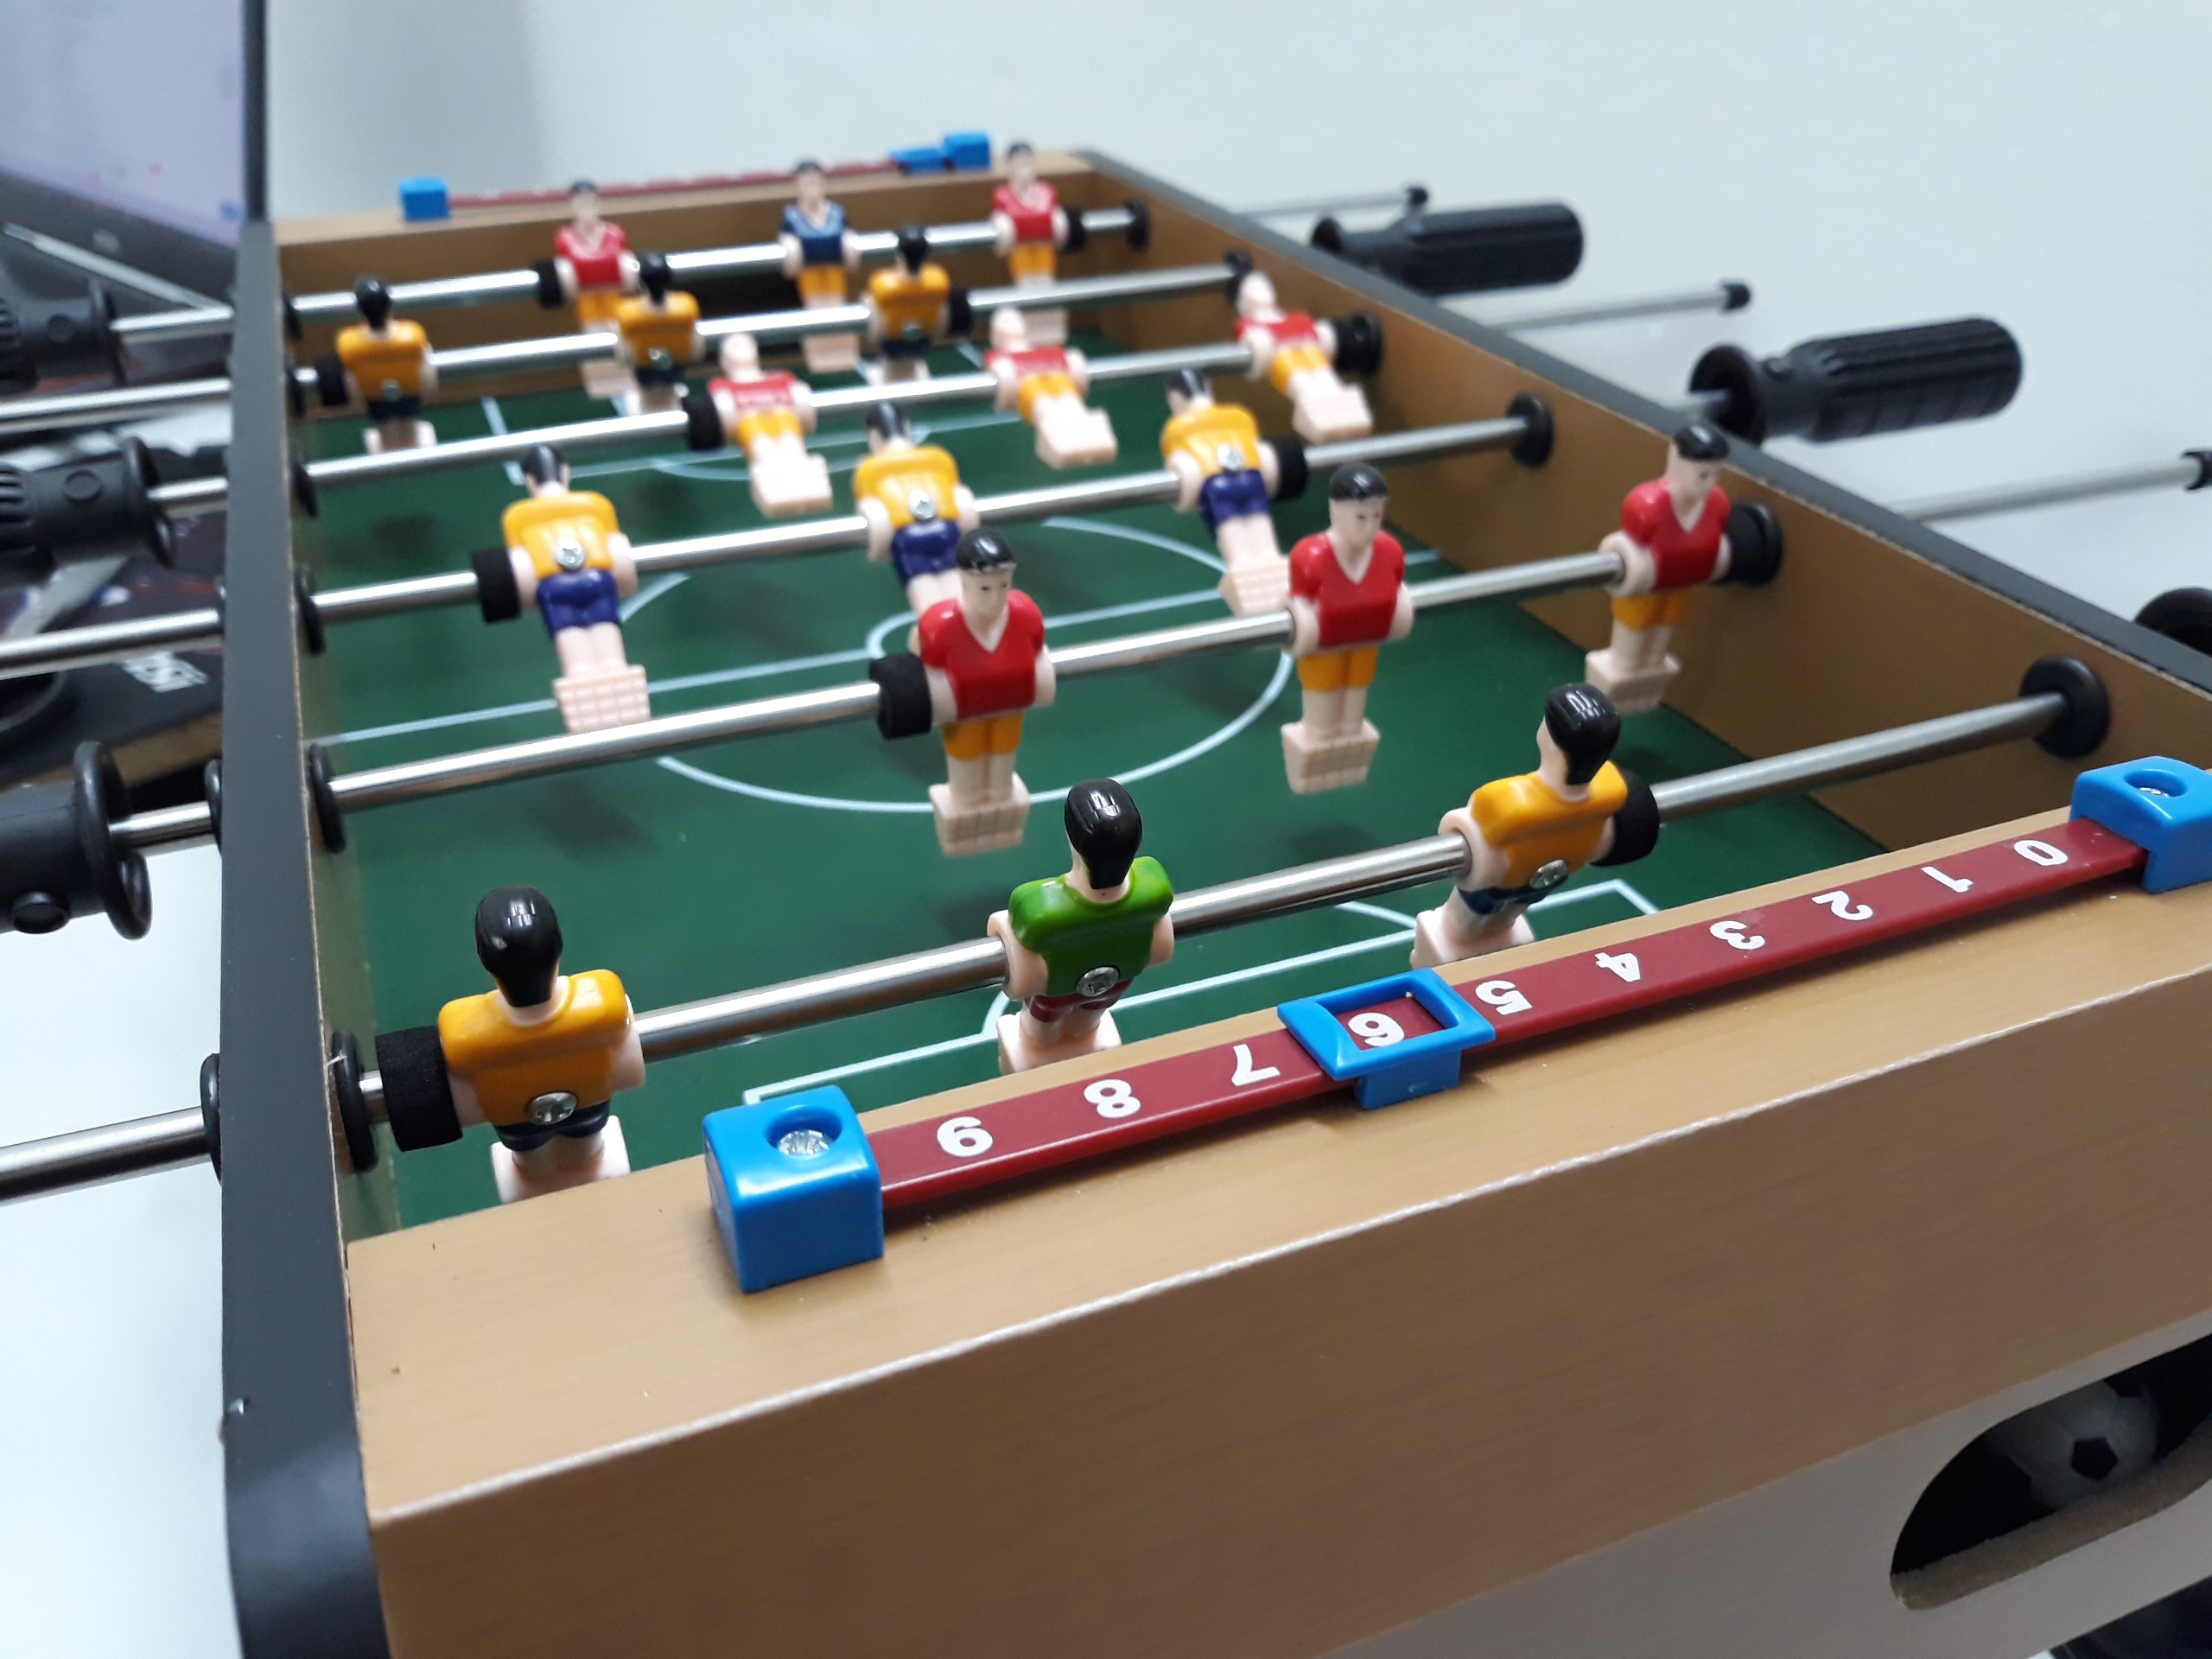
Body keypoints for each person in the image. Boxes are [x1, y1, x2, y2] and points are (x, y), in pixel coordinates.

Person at [437, 885, 644, 1203]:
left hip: (515, 1116)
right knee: (587, 1151)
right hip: (588, 1101)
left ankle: (535, 1178)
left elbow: (456, 1060)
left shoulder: (462, 1029)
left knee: (532, 1163)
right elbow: (620, 1023)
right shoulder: (603, 1000)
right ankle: (586, 1168)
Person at [1410, 684, 1635, 965]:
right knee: (1506, 919)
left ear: (1550, 739)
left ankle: (1450, 957)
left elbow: (1469, 833)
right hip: (1546, 880)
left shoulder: (1504, 799)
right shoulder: (1612, 789)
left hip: (1495, 883)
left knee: (1457, 929)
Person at [988, 779, 1175, 1072]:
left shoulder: (1037, 905)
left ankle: (1039, 1049)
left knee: (1040, 1033)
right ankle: (1083, 1037)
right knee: (1089, 1018)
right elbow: (1161, 938)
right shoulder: (1155, 886)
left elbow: (1018, 939)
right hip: (1116, 981)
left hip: (1055, 988)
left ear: (1073, 841)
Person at [1583, 422, 1735, 714]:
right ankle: (1617, 682)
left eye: (1716, 475)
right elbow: (1632, 547)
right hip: (1644, 589)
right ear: (1678, 463)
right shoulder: (1647, 506)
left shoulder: (1717, 506)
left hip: (1678, 585)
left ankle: (1648, 680)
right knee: (1631, 642)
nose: (1710, 483)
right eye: (1703, 475)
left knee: (1661, 637)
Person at [916, 531, 1053, 855]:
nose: (995, 598)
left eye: (1003, 586)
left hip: (1009, 710)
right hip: (965, 717)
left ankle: (1002, 816)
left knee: (1002, 778)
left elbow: (1038, 655)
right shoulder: (939, 626)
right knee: (966, 788)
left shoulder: (1026, 615)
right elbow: (930, 672)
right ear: (964, 581)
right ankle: (964, 822)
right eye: (985, 588)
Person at [500, 444, 651, 732]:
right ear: (565, 472)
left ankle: (582, 674)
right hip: (597, 580)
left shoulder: (517, 516)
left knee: (573, 644)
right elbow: (614, 545)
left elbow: (517, 563)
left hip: (553, 588)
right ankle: (612, 668)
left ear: (529, 480)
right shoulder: (595, 504)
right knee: (606, 635)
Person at [1281, 463, 1412, 791]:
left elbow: (1397, 593)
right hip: (1325, 649)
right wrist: (1304, 619)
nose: (1369, 527)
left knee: (1354, 712)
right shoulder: (1311, 557)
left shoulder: (1389, 553)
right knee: (1322, 722)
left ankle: (1350, 748)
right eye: (1361, 517)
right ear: (1336, 512)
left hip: (1364, 644)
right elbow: (1298, 602)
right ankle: (1316, 751)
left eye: (1377, 516)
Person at [1159, 368, 1287, 614]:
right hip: (1252, 479)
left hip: (1215, 487)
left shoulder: (1176, 429)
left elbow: (1180, 462)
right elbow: (1260, 451)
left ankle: (1245, 572)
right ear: (1207, 389)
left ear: (1175, 398)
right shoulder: (1239, 416)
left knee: (1235, 539)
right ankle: (1271, 562)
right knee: (1261, 527)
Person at [854, 403, 979, 612]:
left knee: (927, 599)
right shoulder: (939, 457)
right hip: (947, 531)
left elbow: (871, 509)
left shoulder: (868, 469)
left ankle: (939, 630)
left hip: (907, 539)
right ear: (906, 427)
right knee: (958, 592)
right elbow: (959, 497)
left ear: (874, 436)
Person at [1235, 270, 1371, 443]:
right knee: (1301, 382)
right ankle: (1322, 421)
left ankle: (1349, 415)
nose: (1260, 294)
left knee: (1325, 376)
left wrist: (1313, 334)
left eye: (1262, 289)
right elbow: (1255, 341)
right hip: (1282, 354)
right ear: (1244, 301)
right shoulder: (1249, 325)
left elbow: (1314, 330)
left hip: (1308, 347)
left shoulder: (1285, 315)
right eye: (1254, 290)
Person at [707, 333, 830, 516]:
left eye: (746, 345)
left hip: (784, 420)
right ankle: (778, 488)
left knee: (790, 438)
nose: (742, 350)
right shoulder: (721, 386)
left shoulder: (780, 378)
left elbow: (799, 398)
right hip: (752, 426)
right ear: (724, 360)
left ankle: (807, 481)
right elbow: (721, 410)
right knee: (760, 441)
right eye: (734, 347)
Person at [982, 306, 1116, 467]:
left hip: (1056, 374)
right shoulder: (999, 357)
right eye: (1005, 322)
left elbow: (1068, 360)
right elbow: (1000, 370)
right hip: (1027, 381)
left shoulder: (1041, 348)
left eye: (1015, 321)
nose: (1012, 325)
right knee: (1043, 404)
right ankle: (1065, 445)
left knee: (1070, 400)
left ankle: (1091, 437)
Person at [554, 179, 638, 397]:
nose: (586, 207)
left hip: (616, 309)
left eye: (590, 201)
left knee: (623, 353)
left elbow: (627, 271)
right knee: (597, 358)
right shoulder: (565, 237)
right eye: (580, 202)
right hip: (589, 312)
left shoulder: (614, 233)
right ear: (571, 205)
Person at [334, 276, 435, 453]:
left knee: (384, 427)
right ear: (389, 306)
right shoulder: (413, 334)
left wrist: (359, 398)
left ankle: (388, 447)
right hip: (410, 394)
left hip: (375, 398)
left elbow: (350, 382)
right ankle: (411, 444)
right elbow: (427, 374)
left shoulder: (347, 343)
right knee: (409, 424)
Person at [779, 160, 861, 374]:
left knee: (838, 311)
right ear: (798, 186)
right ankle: (820, 358)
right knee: (815, 313)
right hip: (810, 277)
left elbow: (849, 238)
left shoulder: (836, 212)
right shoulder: (792, 216)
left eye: (815, 182)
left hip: (835, 275)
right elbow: (787, 243)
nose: (812, 188)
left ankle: (845, 357)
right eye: (807, 183)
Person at [990, 142, 1070, 344]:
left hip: (1044, 257)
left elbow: (1058, 223)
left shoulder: (1047, 192)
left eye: (1028, 163)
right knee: (1027, 294)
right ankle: (1027, 338)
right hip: (1022, 259)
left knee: (1048, 294)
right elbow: (1002, 227)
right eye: (1018, 164)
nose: (1024, 168)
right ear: (1009, 167)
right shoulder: (1003, 195)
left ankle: (1052, 337)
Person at [611, 251, 700, 414]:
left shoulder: (628, 312)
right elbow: (696, 345)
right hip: (671, 365)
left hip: (650, 366)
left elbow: (622, 352)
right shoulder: (686, 305)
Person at [865, 226, 951, 383]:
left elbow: (872, 317)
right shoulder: (938, 281)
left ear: (900, 256)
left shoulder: (883, 284)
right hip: (919, 343)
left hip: (893, 344)